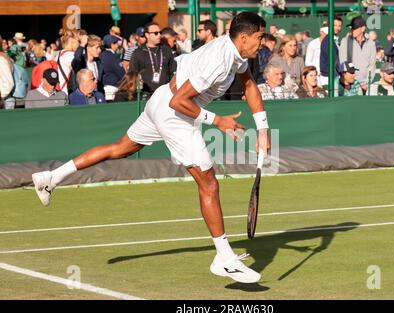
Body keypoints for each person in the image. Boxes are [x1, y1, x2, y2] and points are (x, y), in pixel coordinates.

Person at [32, 11, 270, 284]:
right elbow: (179, 102)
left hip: (161, 100)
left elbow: (249, 84)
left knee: (120, 148)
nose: (261, 42)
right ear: (243, 37)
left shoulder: (234, 53)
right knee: (209, 183)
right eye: (259, 37)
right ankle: (224, 258)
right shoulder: (219, 60)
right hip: (174, 111)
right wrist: (217, 121)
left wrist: (262, 128)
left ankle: (51, 177)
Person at [129, 22, 176, 96]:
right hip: (146, 95)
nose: (159, 35)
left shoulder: (166, 50)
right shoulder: (138, 52)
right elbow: (132, 74)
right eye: (156, 33)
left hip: (164, 94)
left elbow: (172, 72)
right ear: (147, 35)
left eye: (160, 32)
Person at [339, 16, 376, 93]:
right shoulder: (345, 41)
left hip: (366, 86)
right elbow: (343, 64)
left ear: (363, 29)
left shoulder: (371, 43)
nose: (352, 30)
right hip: (351, 85)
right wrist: (353, 82)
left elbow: (372, 66)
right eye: (351, 28)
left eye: (354, 28)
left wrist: (367, 83)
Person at [100, 35, 126, 101]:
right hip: (112, 87)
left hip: (105, 86)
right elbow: (121, 73)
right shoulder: (113, 56)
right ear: (112, 44)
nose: (118, 45)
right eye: (116, 43)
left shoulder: (102, 54)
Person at [54, 30, 79, 95]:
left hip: (59, 91)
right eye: (78, 41)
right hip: (66, 93)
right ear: (72, 41)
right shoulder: (70, 55)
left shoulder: (59, 54)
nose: (79, 44)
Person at [320, 16, 342, 86]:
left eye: (339, 26)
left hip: (333, 76)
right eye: (335, 25)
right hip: (329, 77)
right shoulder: (328, 40)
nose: (337, 28)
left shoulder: (335, 40)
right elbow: (334, 61)